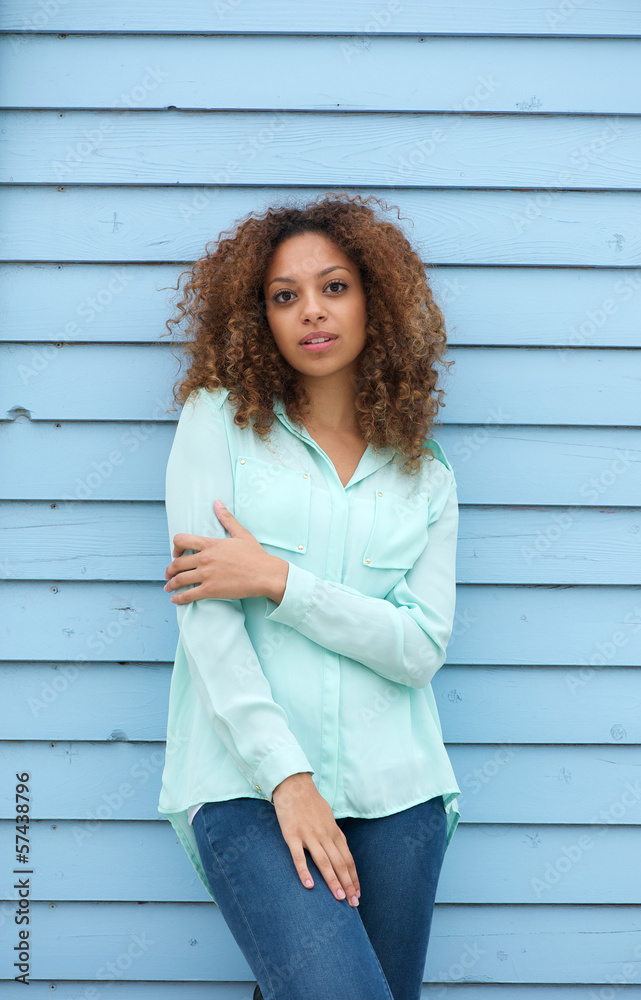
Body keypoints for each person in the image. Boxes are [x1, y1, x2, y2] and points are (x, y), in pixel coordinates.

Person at [157, 191, 461, 1000]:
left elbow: (418, 649)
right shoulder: (216, 422)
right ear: (260, 317)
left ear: (375, 301)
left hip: (398, 794)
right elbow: (209, 626)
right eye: (283, 296)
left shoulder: (423, 473)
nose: (310, 313)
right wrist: (288, 782)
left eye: (333, 287)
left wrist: (279, 581)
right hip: (248, 785)